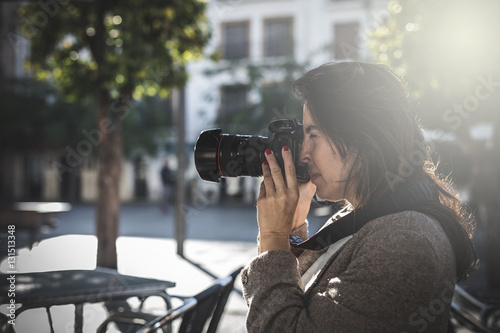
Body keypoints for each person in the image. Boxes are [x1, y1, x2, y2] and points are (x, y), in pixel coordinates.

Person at [240, 62, 477, 332]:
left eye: (313, 134)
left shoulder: (405, 243)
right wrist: (290, 233)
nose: (304, 153)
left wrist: (272, 240)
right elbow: (307, 298)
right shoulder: (369, 214)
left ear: (364, 140)